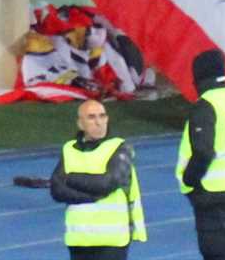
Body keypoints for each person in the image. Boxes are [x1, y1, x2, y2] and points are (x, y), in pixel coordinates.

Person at [17, 97, 144, 256]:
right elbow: (57, 190)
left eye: (102, 116)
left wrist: (68, 178)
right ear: (80, 124)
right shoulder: (69, 149)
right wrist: (94, 196)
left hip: (111, 240)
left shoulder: (120, 148)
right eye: (91, 117)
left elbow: (106, 183)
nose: (98, 122)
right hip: (79, 239)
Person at [178, 46, 225, 260]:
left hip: (212, 191)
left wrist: (190, 181)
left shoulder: (206, 104)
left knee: (217, 252)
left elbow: (203, 151)